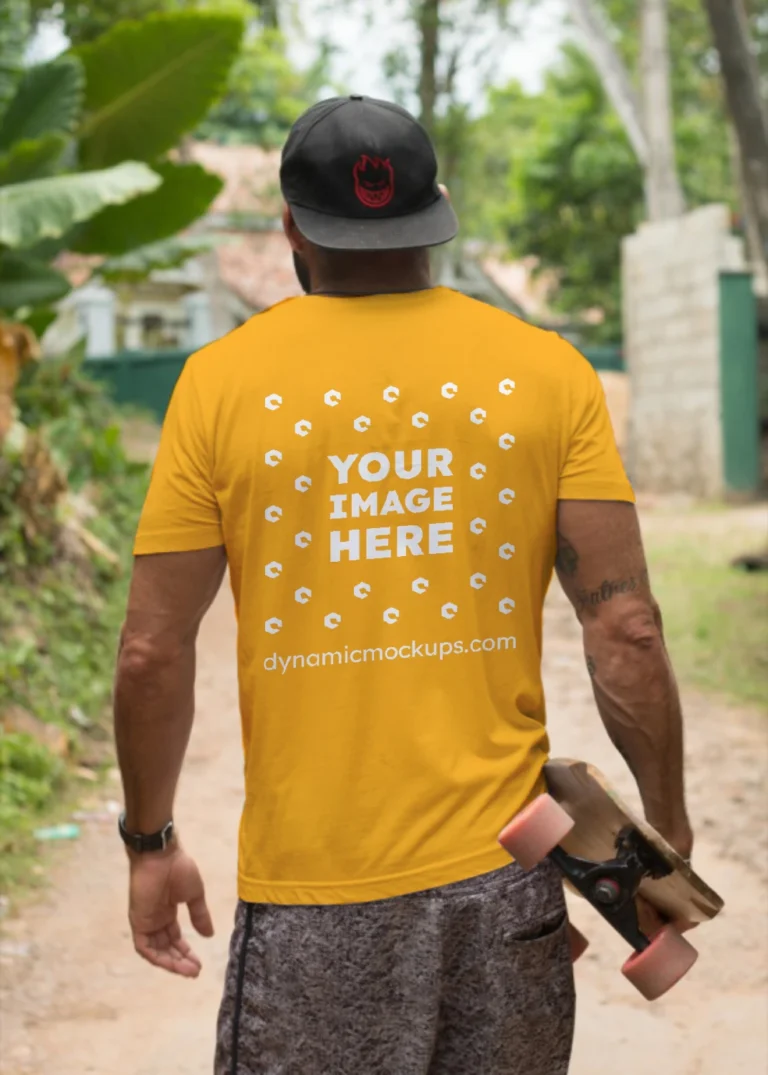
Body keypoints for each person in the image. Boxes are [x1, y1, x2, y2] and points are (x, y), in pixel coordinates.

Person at [114, 96, 693, 1075]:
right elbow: (626, 629)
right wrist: (665, 829)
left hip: (314, 895)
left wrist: (150, 838)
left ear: (292, 226)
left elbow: (152, 649)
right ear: (442, 209)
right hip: (509, 881)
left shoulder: (219, 383)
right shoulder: (547, 372)